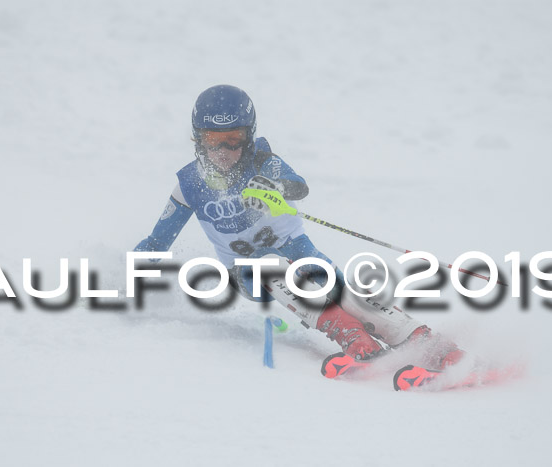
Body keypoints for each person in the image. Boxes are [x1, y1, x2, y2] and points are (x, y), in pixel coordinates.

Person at [135, 84, 462, 377]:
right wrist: (133, 273)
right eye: (213, 141)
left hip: (296, 248)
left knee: (338, 290)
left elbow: (298, 187)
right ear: (197, 139)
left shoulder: (262, 159)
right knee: (271, 269)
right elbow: (157, 241)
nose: (224, 152)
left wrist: (272, 188)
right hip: (247, 271)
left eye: (234, 140)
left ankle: (422, 340)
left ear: (248, 137)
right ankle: (354, 339)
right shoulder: (188, 185)